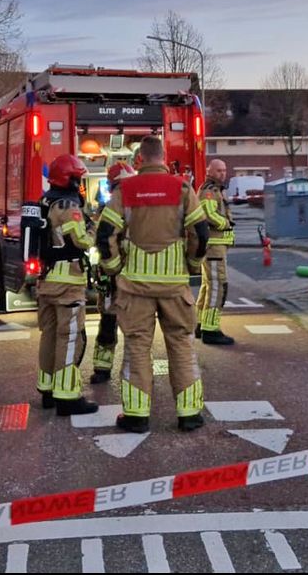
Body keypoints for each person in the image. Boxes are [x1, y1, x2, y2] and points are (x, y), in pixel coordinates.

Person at [97, 136, 210, 433]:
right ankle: (189, 414)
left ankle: (136, 416)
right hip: (175, 287)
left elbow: (105, 234)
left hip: (135, 287)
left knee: (137, 347)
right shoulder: (182, 189)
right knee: (182, 345)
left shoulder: (125, 190)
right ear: (163, 157)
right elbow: (200, 233)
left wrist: (115, 267)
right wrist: (192, 264)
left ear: (139, 159)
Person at [35, 153, 99, 415]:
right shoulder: (68, 206)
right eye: (78, 179)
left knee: (49, 335)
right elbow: (82, 241)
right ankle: (67, 397)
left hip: (46, 281)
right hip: (68, 284)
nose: (80, 184)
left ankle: (47, 389)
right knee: (70, 338)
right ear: (70, 180)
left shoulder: (45, 201)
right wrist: (94, 228)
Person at [90, 160, 135, 384]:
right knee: (116, 322)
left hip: (119, 272)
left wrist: (112, 268)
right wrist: (114, 268)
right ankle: (105, 367)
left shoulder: (120, 203)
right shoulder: (115, 205)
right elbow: (105, 239)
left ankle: (105, 367)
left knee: (111, 321)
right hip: (121, 274)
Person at [195, 159, 236, 345]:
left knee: (208, 285)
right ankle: (210, 329)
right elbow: (208, 214)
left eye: (224, 170)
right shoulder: (209, 191)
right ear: (209, 171)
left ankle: (200, 324)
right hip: (213, 246)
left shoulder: (216, 189)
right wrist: (225, 224)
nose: (223, 173)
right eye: (219, 170)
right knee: (218, 286)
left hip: (215, 246)